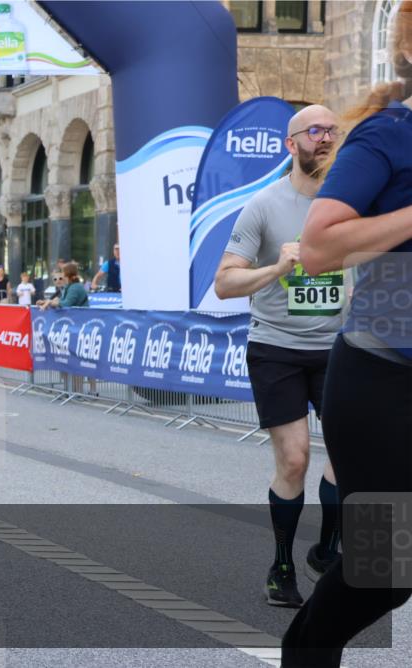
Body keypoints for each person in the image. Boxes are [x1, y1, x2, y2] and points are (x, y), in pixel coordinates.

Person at [281, 5, 412, 664]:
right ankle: (306, 648)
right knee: (385, 567)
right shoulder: (388, 136)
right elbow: (319, 246)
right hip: (386, 378)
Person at [214, 104, 344, 608]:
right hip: (278, 349)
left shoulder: (352, 204)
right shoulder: (264, 206)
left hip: (341, 349)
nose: (326, 138)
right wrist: (277, 267)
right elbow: (225, 283)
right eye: (315, 131)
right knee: (295, 459)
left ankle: (327, 552)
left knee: (354, 456)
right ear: (291, 145)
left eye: (333, 130)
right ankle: (282, 564)